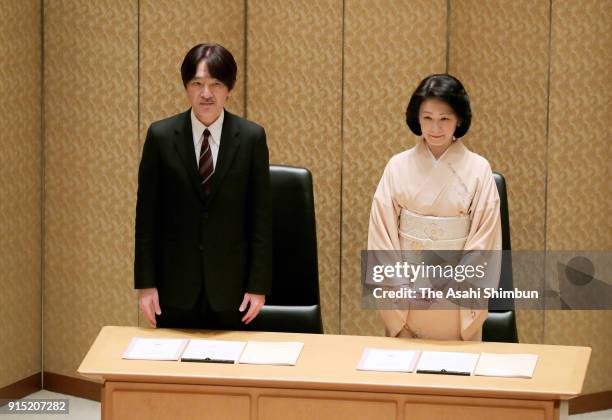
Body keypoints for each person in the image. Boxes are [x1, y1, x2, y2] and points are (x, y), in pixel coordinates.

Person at [134, 43, 272, 329]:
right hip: (174, 289)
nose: (206, 94)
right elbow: (146, 218)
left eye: (216, 84)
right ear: (186, 86)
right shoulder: (160, 136)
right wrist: (146, 285)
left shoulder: (251, 138)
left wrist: (257, 286)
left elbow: (261, 218)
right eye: (197, 83)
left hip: (233, 292)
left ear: (229, 88)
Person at [368, 74, 501, 341]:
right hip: (406, 296)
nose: (435, 128)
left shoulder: (478, 169)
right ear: (416, 118)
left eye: (445, 119)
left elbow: (485, 240)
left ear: (459, 120)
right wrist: (400, 287)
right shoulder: (397, 166)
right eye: (427, 118)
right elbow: (381, 233)